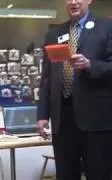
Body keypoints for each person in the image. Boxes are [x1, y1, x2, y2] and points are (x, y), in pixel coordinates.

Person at [37, 0, 112, 179]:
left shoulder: (107, 27)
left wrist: (91, 65)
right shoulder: (54, 33)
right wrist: (42, 115)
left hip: (96, 119)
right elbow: (46, 78)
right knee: (66, 174)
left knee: (99, 174)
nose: (73, 2)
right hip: (62, 118)